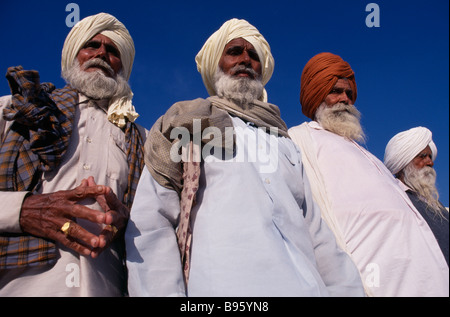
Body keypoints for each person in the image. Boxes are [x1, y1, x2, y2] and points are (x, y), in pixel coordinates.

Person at [125, 18, 364, 297]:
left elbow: (320, 237)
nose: (245, 60)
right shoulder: (189, 122)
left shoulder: (284, 142)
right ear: (217, 63)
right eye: (234, 51)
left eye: (254, 56)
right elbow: (153, 221)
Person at [0, 13, 146, 296]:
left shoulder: (142, 139)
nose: (102, 53)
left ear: (123, 65)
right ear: (74, 54)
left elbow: (158, 219)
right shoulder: (13, 110)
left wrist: (124, 218)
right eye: (92, 45)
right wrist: (21, 210)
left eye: (113, 50)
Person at [288, 52, 449, 296]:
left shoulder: (368, 156)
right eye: (336, 91)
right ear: (316, 94)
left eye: (349, 94)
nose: (345, 99)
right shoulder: (299, 141)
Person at [384, 126, 449, 266]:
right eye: (422, 156)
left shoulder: (438, 207)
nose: (430, 162)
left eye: (430, 157)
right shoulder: (392, 197)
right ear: (403, 162)